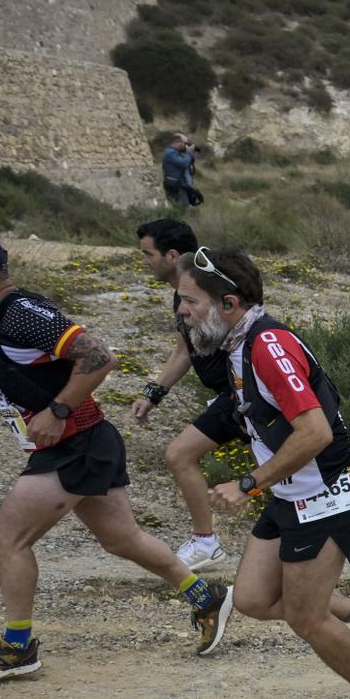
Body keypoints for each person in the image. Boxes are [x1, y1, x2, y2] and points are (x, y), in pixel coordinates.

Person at [0, 232, 236, 683]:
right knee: (123, 540)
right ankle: (206, 595)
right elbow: (34, 372)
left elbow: (100, 357)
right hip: (83, 443)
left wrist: (57, 410)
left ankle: (17, 647)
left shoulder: (21, 314)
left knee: (5, 541)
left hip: (75, 445)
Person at [176, 248, 350, 699]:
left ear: (227, 303)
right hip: (291, 493)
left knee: (306, 616)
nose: (181, 311)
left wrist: (248, 483)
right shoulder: (237, 346)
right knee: (252, 598)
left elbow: (315, 433)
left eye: (189, 301)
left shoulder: (268, 346)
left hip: (328, 492)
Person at [126, 218, 245, 569]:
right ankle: (207, 542)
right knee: (181, 455)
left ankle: (207, 543)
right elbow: (183, 352)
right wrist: (153, 394)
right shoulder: (183, 297)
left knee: (180, 455)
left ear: (172, 255)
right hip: (228, 395)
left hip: (242, 392)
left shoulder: (209, 290)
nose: (144, 261)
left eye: (148, 254)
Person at [161, 134, 196, 208]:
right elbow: (184, 163)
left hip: (179, 183)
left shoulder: (176, 152)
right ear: (178, 142)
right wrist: (188, 153)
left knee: (184, 205)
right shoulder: (170, 153)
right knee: (183, 207)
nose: (186, 146)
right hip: (175, 184)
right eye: (185, 143)